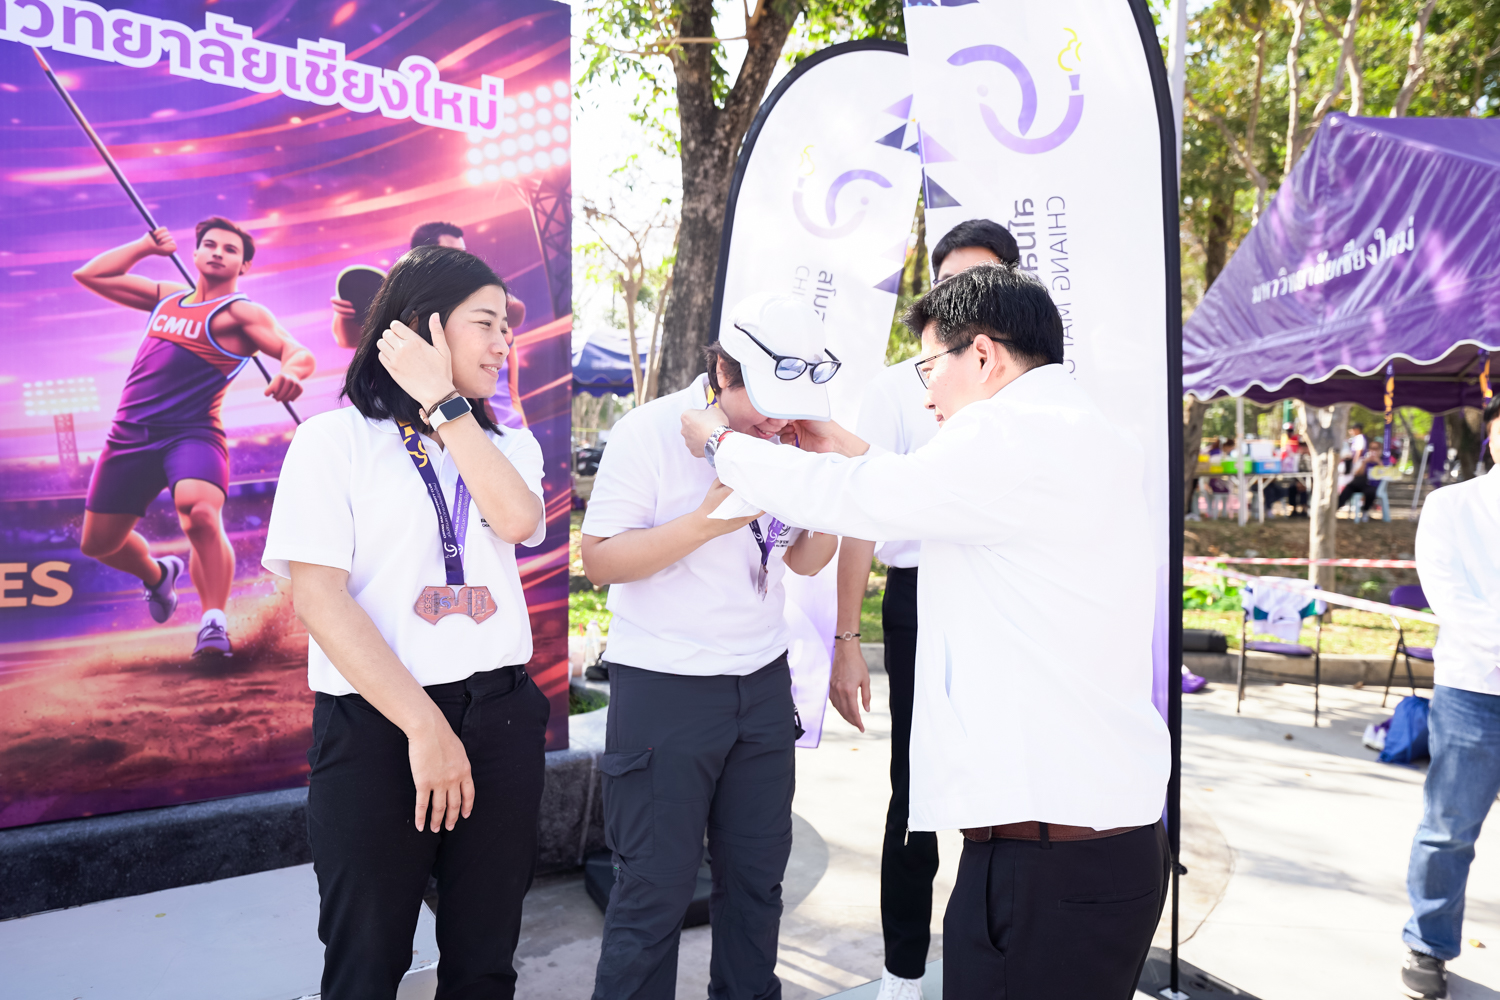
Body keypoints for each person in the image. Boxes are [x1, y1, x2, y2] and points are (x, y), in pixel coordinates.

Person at [681, 264, 1171, 999]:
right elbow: (931, 492)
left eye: (929, 366)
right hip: (1093, 848)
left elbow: (866, 500)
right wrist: (842, 443)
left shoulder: (1010, 434)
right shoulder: (1079, 433)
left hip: (1047, 865)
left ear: (984, 355)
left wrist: (723, 445)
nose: (926, 393)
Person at [263, 245, 549, 1000]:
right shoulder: (335, 441)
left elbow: (517, 521)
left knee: (485, 958)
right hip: (378, 727)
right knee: (366, 960)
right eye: (485, 323)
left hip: (501, 716)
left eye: (507, 327)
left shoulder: (506, 444)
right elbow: (320, 599)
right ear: (424, 327)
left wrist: (447, 408)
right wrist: (425, 728)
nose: (503, 342)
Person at [580, 293, 839, 1000]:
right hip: (664, 688)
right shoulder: (649, 431)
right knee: (653, 893)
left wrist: (823, 488)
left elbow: (806, 560)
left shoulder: (788, 439)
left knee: (757, 883)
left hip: (762, 685)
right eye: (766, 404)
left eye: (790, 407)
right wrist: (704, 523)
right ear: (723, 370)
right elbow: (599, 560)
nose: (776, 423)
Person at [829, 218, 1019, 1000]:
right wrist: (846, 637)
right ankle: (903, 972)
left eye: (980, 279)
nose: (961, 294)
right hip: (920, 597)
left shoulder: (1036, 389)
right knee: (916, 792)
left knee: (1005, 788)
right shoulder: (897, 387)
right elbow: (859, 513)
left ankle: (996, 960)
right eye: (948, 282)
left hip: (1006, 596)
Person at [73, 218, 315, 659]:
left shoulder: (241, 314)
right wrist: (144, 245)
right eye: (210, 245)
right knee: (98, 544)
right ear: (196, 253)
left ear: (244, 265)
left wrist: (291, 373)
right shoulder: (166, 297)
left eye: (230, 249)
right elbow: (91, 275)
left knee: (199, 513)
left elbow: (296, 351)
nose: (218, 252)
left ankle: (212, 623)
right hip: (128, 436)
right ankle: (157, 575)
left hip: (191, 434)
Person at [1399, 395, 1500, 1000]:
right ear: (1491, 435)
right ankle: (1428, 944)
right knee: (1449, 828)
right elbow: (1450, 596)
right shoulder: (1452, 506)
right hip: (1473, 689)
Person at [331, 221, 528, 426]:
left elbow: (516, 311)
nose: (463, 262)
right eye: (451, 254)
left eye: (463, 253)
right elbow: (348, 338)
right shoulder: (339, 431)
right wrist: (348, 315)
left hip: (500, 425)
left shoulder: (483, 296)